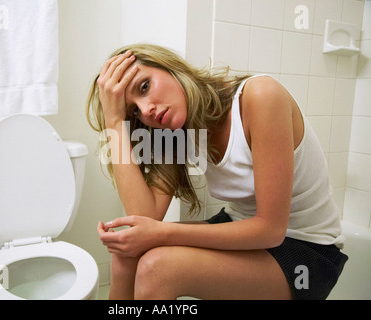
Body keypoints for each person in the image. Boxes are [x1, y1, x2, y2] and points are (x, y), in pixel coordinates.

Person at [86, 43, 348, 300]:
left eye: (144, 87)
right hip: (242, 228)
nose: (146, 110)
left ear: (170, 67)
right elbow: (143, 216)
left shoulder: (260, 96)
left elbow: (271, 230)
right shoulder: (173, 129)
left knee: (157, 268)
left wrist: (162, 233)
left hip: (308, 253)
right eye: (134, 110)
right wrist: (114, 120)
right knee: (125, 254)